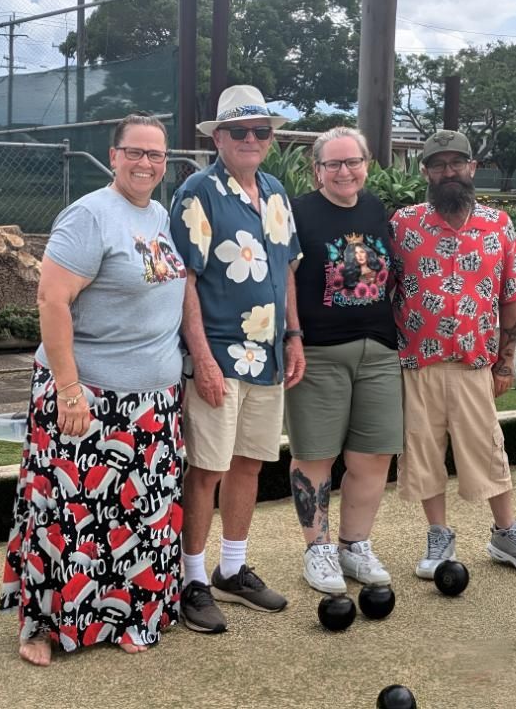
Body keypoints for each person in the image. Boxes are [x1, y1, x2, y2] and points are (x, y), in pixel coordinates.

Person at [0, 114, 187, 666]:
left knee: (140, 519)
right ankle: (42, 627)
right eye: (135, 152)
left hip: (153, 402)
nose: (146, 163)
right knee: (67, 516)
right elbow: (51, 301)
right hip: (90, 394)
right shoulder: (88, 215)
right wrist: (69, 388)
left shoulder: (158, 215)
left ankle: (132, 616)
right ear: (114, 154)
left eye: (156, 154)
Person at [169, 85, 304, 634]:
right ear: (219, 137)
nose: (251, 140)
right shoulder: (196, 193)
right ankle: (192, 580)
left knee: (249, 463)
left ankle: (231, 569)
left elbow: (287, 268)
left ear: (270, 140)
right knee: (208, 469)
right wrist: (201, 358)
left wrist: (295, 335)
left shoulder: (274, 191)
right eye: (239, 131)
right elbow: (185, 281)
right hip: (220, 357)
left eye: (261, 131)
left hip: (268, 357)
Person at [389, 129, 516, 580]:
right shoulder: (403, 223)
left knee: (488, 451)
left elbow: (510, 295)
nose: (448, 172)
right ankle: (438, 535)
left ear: (472, 169)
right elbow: (383, 288)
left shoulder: (498, 225)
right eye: (438, 164)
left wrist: (506, 361)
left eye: (456, 163)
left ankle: (506, 533)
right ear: (425, 172)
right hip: (416, 362)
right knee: (422, 453)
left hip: (475, 363)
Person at [285, 127, 403, 594]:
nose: (343, 171)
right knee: (315, 454)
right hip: (318, 350)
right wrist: (293, 336)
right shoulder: (298, 213)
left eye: (352, 161)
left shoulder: (376, 210)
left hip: (378, 350)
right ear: (317, 171)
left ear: (366, 164)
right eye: (332, 164)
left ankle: (355, 545)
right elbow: (285, 280)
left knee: (373, 453)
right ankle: (319, 549)